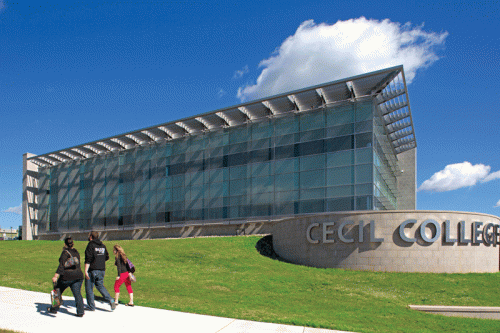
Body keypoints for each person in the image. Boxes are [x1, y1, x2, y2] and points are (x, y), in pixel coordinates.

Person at [49, 236, 85, 317]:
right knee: (77, 294)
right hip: (78, 276)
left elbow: (61, 266)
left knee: (57, 291)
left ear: (65, 244)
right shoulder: (76, 252)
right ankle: (80, 312)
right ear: (72, 244)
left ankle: (54, 309)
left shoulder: (65, 252)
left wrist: (55, 276)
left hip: (67, 277)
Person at [84, 231, 116, 311]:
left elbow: (88, 259)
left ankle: (91, 306)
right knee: (100, 286)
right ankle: (111, 300)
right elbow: (107, 257)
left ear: (91, 237)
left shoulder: (90, 245)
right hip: (102, 270)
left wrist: (85, 270)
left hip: (92, 270)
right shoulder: (102, 245)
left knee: (89, 288)